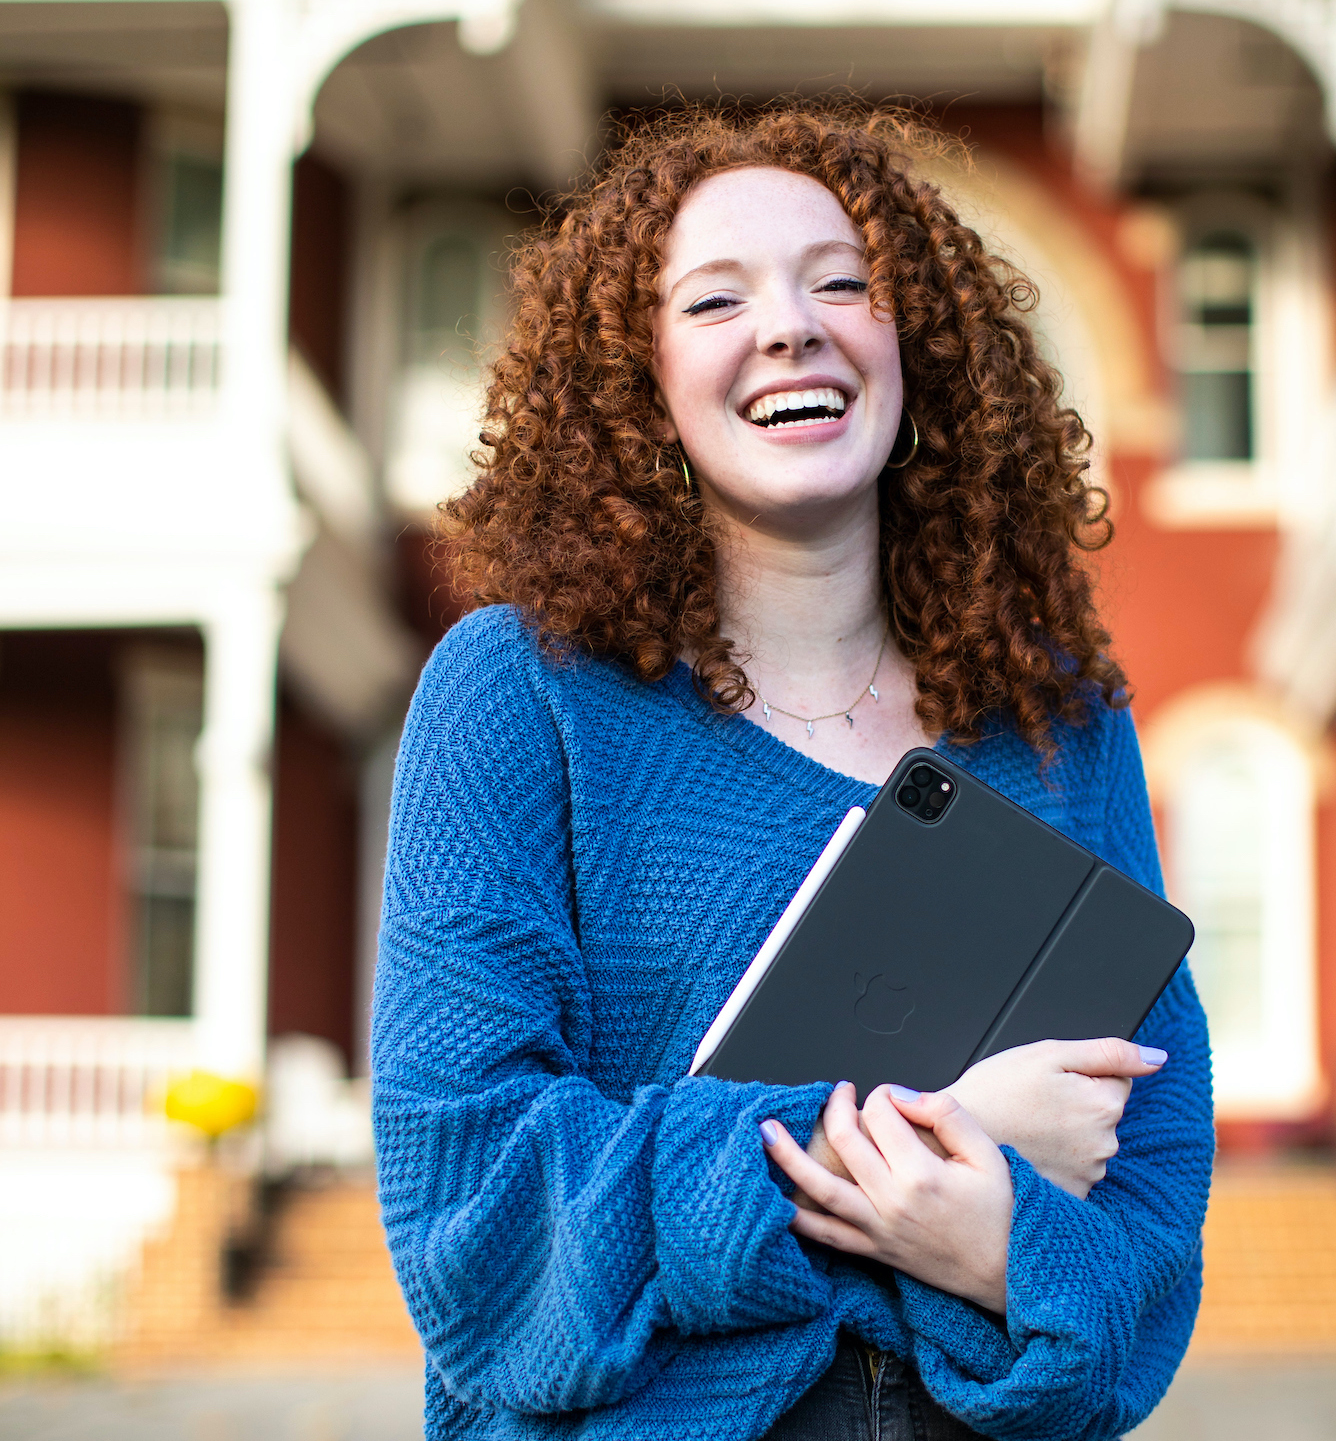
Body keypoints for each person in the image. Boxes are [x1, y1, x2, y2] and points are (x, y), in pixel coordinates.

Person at [372, 100, 1213, 1441]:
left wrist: (1000, 1248)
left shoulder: (1062, 718)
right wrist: (914, 1149)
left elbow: (1146, 1244)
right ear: (638, 383)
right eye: (715, 300)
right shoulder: (519, 694)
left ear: (917, 348)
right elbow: (478, 1220)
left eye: (845, 282)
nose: (790, 324)